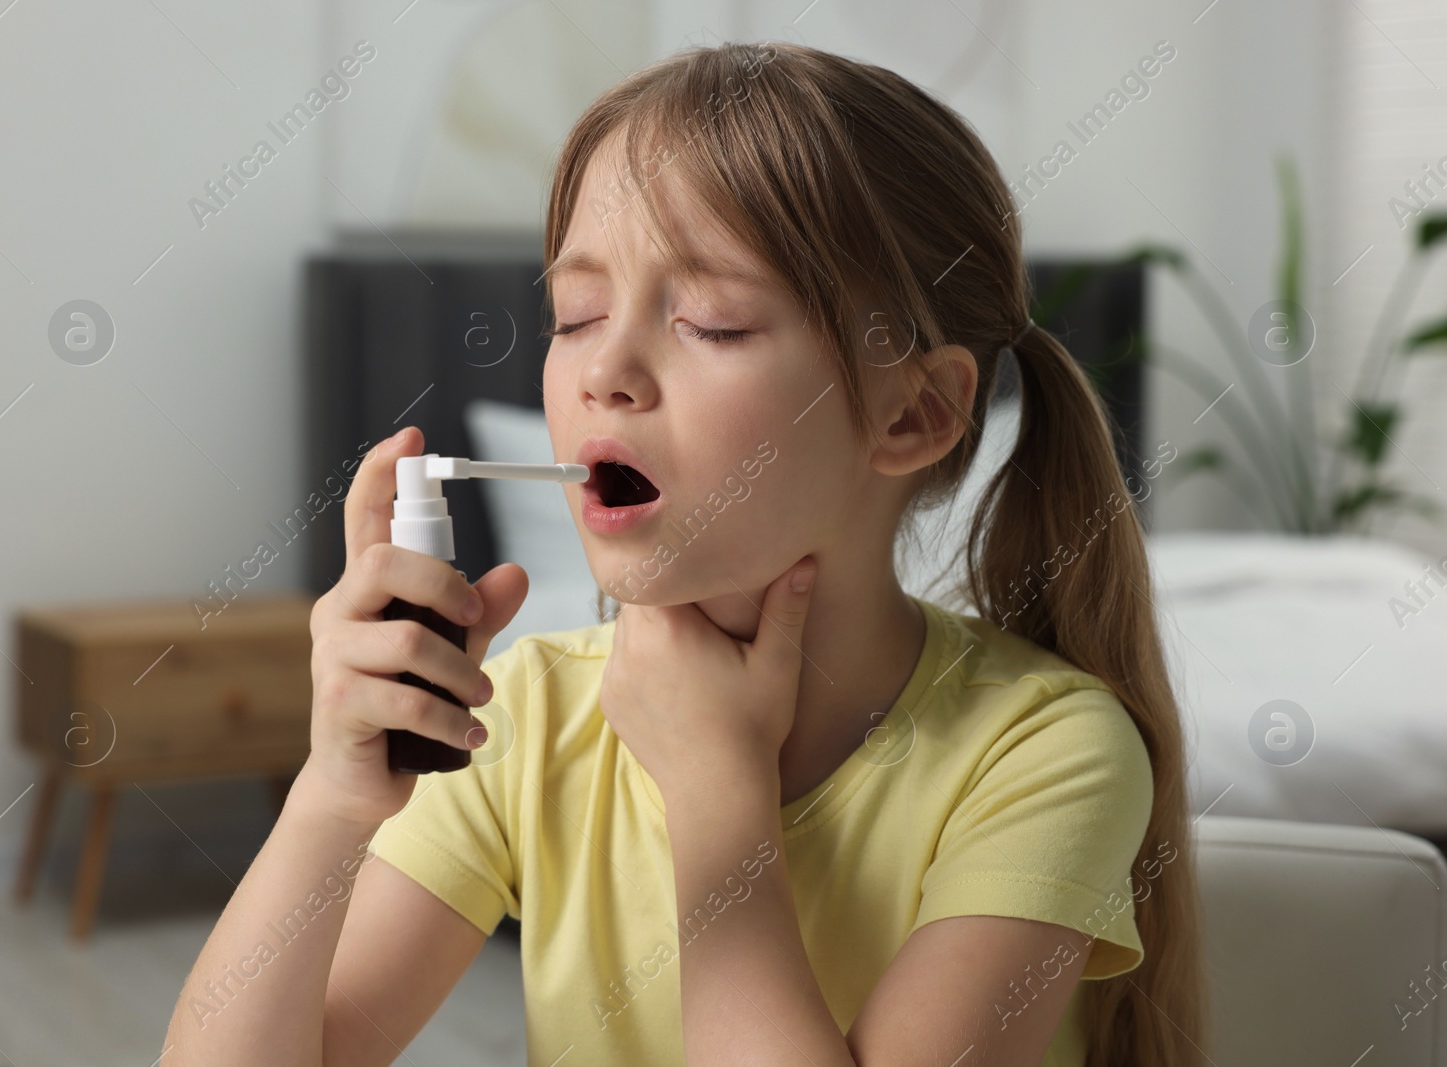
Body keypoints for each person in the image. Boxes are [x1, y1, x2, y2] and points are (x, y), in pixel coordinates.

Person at [164, 39, 1205, 1067]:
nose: (604, 370)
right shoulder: (519, 718)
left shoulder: (1044, 752)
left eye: (710, 321)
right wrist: (331, 797)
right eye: (574, 314)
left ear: (912, 412)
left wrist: (715, 792)